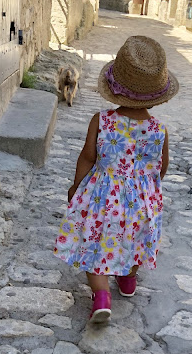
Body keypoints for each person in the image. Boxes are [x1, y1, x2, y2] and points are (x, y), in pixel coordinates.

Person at [54, 36, 179, 323]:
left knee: (95, 245)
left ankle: (101, 296)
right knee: (135, 241)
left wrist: (76, 186)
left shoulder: (102, 121)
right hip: (141, 201)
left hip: (102, 197)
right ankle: (128, 281)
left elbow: (87, 157)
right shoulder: (160, 130)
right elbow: (161, 168)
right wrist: (147, 188)